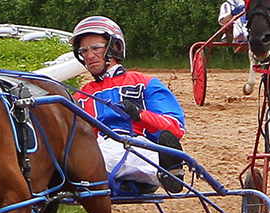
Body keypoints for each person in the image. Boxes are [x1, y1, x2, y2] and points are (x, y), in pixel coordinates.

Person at [71, 16, 187, 195]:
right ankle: (162, 173)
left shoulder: (144, 83)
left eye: (95, 48)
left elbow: (175, 127)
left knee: (141, 154)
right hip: (99, 148)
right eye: (84, 51)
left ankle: (166, 171)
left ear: (115, 47)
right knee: (86, 158)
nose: (89, 56)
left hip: (139, 143)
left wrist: (139, 115)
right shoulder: (80, 95)